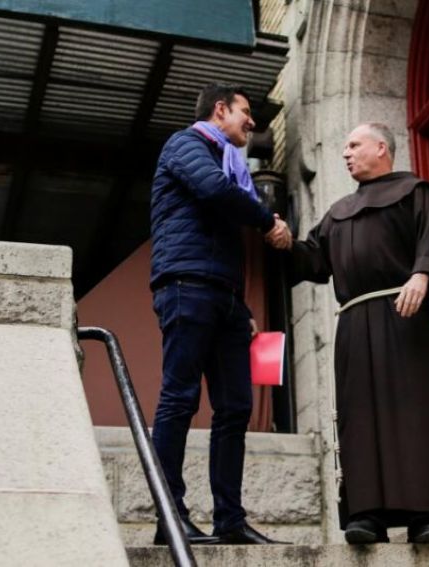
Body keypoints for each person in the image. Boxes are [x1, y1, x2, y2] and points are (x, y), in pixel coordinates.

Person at [285, 123, 429, 544]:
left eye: (353, 145)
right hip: (354, 324)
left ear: (381, 148)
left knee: (415, 411)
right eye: (344, 146)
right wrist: (282, 242)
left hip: (405, 314)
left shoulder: (416, 191)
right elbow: (313, 262)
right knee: (359, 416)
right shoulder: (338, 211)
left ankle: (425, 515)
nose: (345, 153)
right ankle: (367, 516)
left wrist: (422, 275)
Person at [149, 83, 291, 545]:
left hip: (225, 296)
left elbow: (223, 228)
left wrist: (242, 303)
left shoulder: (229, 164)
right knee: (180, 399)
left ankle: (230, 521)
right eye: (245, 112)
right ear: (220, 110)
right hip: (186, 286)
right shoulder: (185, 144)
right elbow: (213, 191)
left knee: (236, 408)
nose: (251, 122)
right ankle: (169, 518)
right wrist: (267, 219)